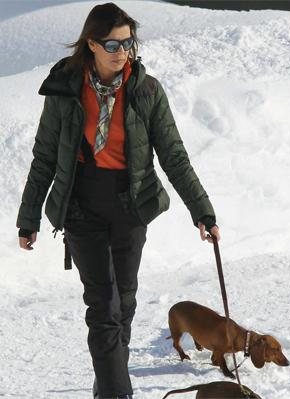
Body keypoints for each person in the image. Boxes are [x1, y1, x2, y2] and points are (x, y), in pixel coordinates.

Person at [15, 3, 221, 398]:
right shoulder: (63, 88)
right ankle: (117, 393)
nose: (121, 51)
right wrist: (30, 218)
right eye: (111, 44)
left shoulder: (146, 91)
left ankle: (108, 383)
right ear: (91, 44)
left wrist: (202, 210)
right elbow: (43, 157)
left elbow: (174, 155)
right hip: (81, 206)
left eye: (128, 43)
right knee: (103, 308)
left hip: (130, 206)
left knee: (124, 303)